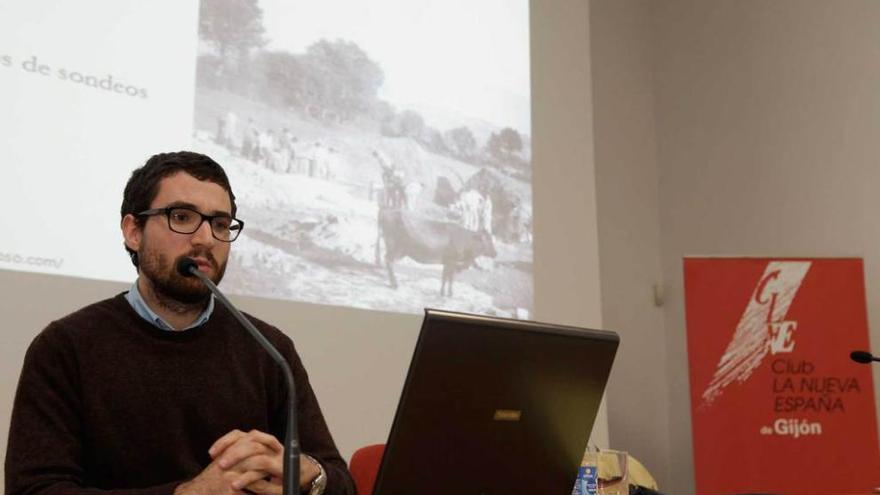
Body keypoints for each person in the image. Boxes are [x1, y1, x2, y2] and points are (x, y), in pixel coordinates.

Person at [5, 151, 354, 495]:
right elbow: (34, 489)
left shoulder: (269, 348)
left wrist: (311, 476)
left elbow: (340, 480)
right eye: (182, 217)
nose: (205, 239)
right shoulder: (66, 347)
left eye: (219, 224)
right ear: (133, 232)